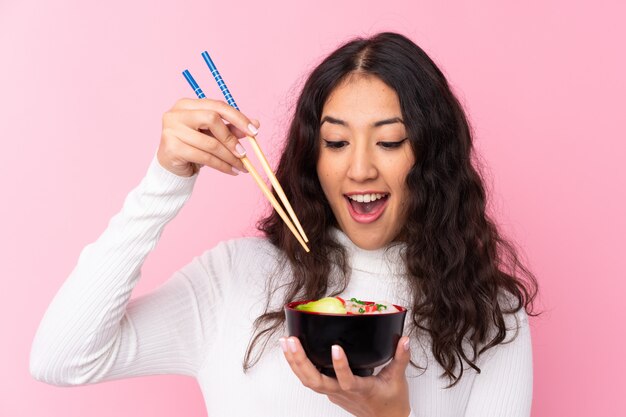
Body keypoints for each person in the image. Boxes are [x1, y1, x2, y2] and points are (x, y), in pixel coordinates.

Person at [30, 32, 539, 417]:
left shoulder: (492, 315)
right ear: (312, 155)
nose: (360, 168)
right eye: (336, 143)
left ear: (432, 156)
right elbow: (62, 358)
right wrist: (165, 181)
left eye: (389, 142)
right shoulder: (235, 277)